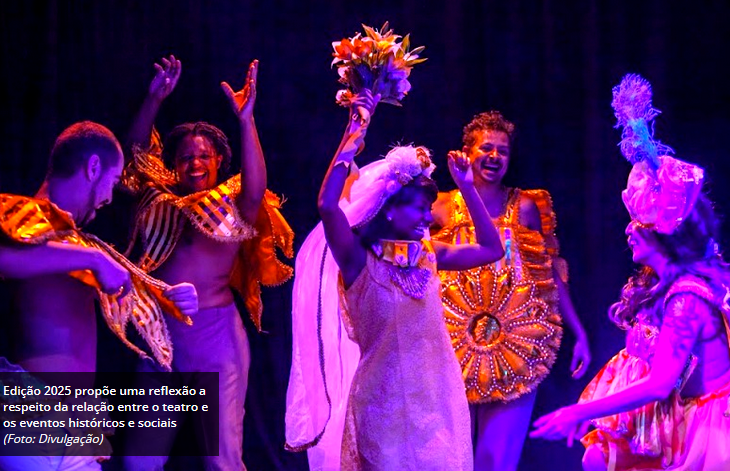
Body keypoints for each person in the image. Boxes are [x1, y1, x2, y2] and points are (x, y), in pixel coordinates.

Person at [285, 90, 504, 470]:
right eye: (419, 208)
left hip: (436, 406)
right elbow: (327, 206)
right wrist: (356, 130)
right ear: (389, 210)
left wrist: (468, 187)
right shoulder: (357, 261)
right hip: (381, 409)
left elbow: (491, 248)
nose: (428, 217)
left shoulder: (430, 256)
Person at [531, 74, 730, 471]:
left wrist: (576, 411)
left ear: (665, 234)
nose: (627, 230)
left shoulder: (686, 298)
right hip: (684, 412)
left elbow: (660, 383)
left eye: (638, 223)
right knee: (599, 456)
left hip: (709, 426)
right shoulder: (664, 286)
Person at [121, 56, 293, 471]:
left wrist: (246, 120)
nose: (194, 163)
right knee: (140, 462)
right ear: (173, 164)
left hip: (216, 340)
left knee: (221, 460)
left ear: (219, 161)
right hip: (159, 336)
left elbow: (256, 188)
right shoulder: (157, 201)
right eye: (185, 157)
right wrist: (153, 100)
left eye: (204, 156)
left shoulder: (231, 205)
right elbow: (135, 159)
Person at [0, 121, 198, 471]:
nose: (109, 197)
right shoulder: (22, 215)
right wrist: (92, 259)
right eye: (113, 179)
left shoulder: (83, 246)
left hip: (78, 421)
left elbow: (129, 288)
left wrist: (171, 296)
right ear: (93, 168)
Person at [430, 110, 591, 471]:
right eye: (486, 148)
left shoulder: (526, 207)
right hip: (451, 344)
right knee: (448, 458)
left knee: (496, 461)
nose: (495, 157)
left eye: (502, 151)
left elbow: (549, 273)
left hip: (513, 343)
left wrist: (579, 331)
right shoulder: (440, 206)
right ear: (466, 153)